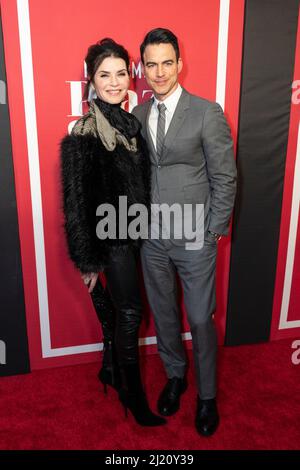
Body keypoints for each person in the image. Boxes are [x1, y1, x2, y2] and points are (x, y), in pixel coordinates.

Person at [132, 28, 237, 436]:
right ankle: (176, 376)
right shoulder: (138, 115)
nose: (159, 72)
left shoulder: (207, 111)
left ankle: (207, 395)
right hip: (152, 238)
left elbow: (225, 177)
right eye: (151, 64)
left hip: (196, 238)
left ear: (180, 63)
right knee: (163, 314)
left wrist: (212, 233)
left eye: (167, 62)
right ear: (144, 68)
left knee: (199, 318)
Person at [60, 38, 165, 427]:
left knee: (124, 311)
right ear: (92, 80)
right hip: (113, 236)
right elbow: (76, 202)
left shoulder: (129, 123)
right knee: (131, 312)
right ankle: (133, 397)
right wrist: (87, 260)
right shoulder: (87, 129)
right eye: (105, 74)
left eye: (121, 73)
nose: (115, 81)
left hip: (133, 230)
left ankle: (111, 370)